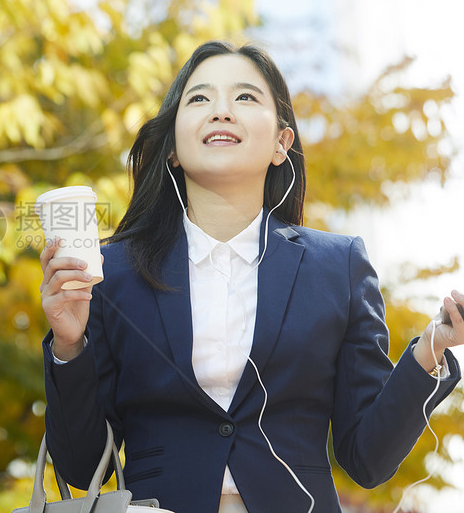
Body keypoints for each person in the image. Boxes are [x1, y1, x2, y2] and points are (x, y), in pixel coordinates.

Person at [38, 41, 463, 513]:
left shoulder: (337, 266)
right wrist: (69, 346)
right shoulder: (112, 273)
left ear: (282, 143)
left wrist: (432, 347)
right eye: (198, 99)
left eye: (244, 98)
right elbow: (79, 467)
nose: (221, 111)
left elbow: (367, 458)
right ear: (173, 150)